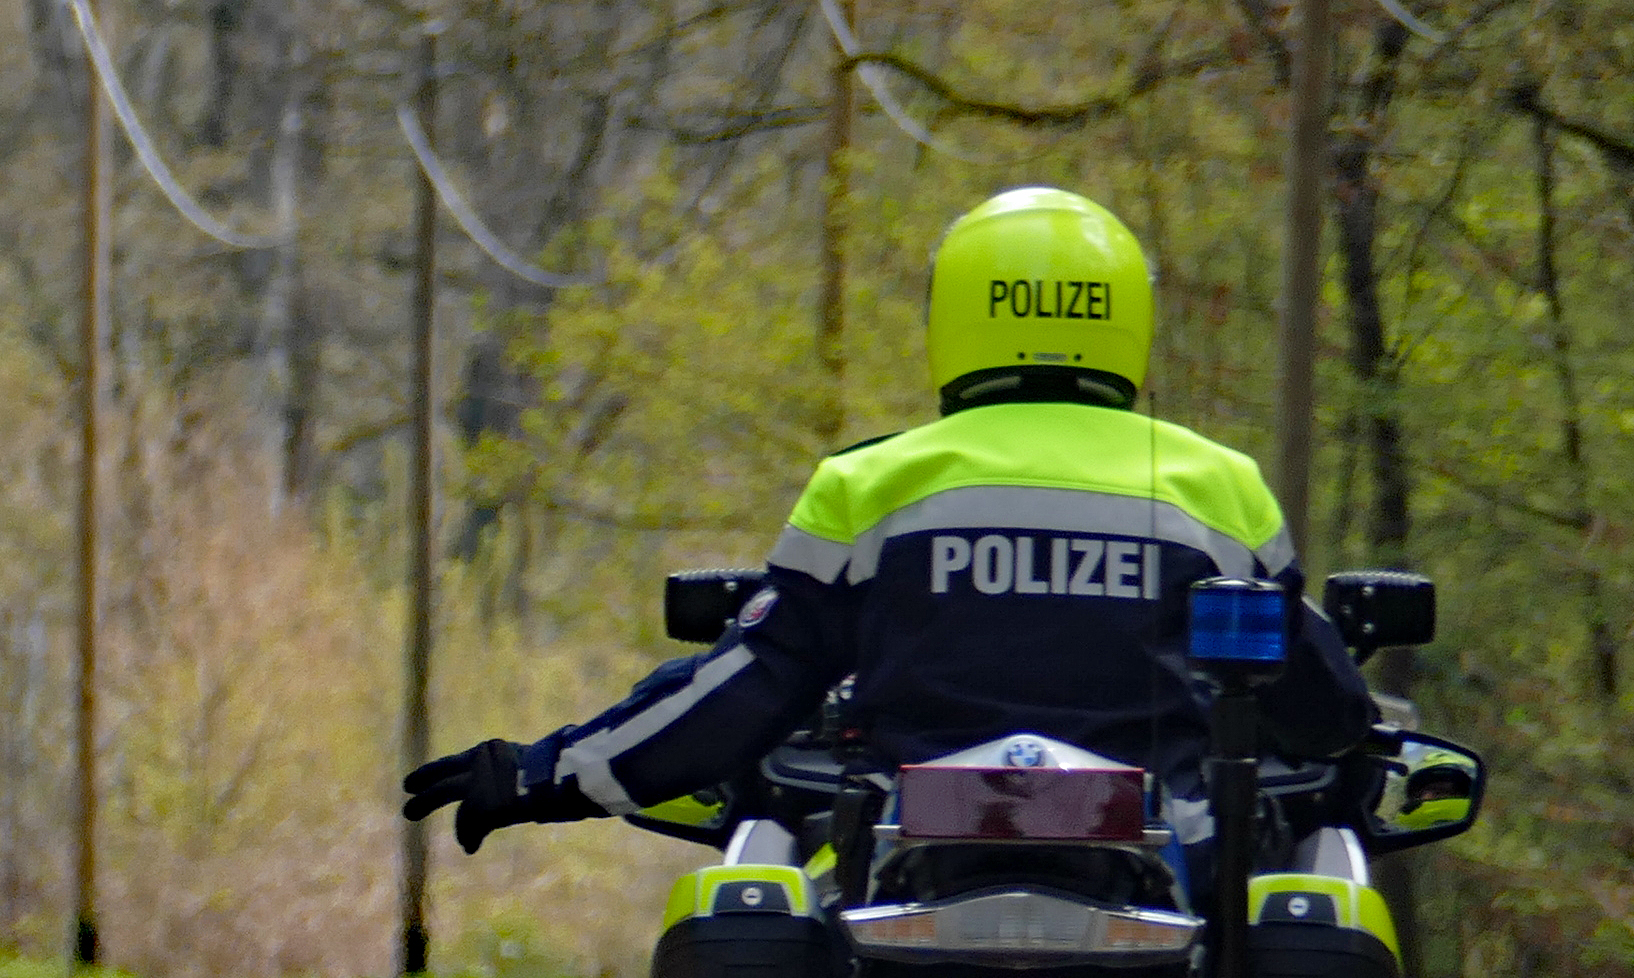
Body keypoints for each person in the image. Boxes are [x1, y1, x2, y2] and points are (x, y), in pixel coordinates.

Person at [400, 186, 1370, 864]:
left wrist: (539, 773)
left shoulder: (868, 487)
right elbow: (1324, 710)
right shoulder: (1219, 490)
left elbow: (739, 693)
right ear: (1126, 319)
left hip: (913, 864)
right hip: (1160, 871)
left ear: (953, 316)